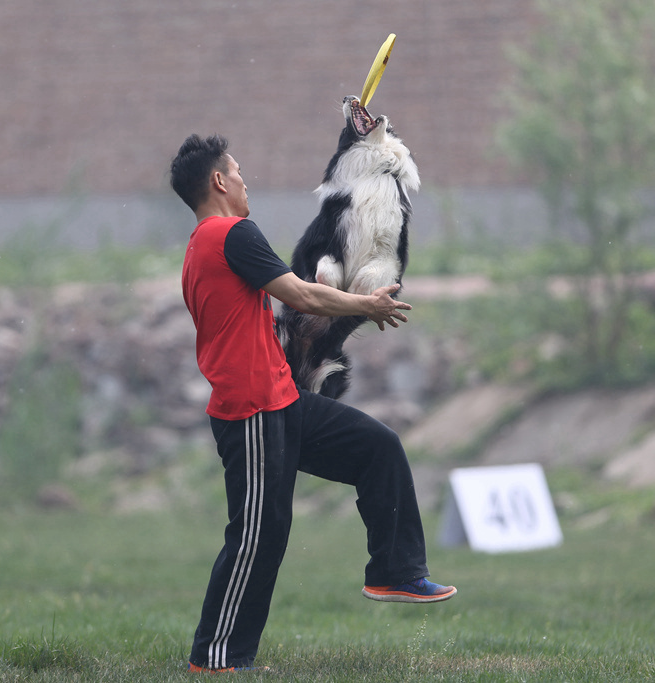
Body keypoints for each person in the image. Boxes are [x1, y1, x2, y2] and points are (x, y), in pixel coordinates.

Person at [170, 133, 455, 673]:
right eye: (239, 169)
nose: (245, 179)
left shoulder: (207, 244)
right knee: (258, 535)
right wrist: (363, 304)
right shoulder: (229, 234)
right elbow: (300, 294)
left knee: (377, 447)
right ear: (218, 181)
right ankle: (216, 659)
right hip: (252, 411)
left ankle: (393, 571)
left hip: (282, 401)